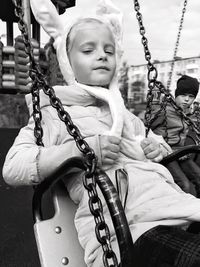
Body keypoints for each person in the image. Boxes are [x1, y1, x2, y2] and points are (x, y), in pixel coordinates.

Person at [3, 0, 200, 266]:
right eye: (88, 49)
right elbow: (13, 167)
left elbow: (154, 140)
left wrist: (158, 148)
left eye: (109, 50)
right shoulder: (52, 114)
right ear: (67, 60)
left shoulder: (123, 113)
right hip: (127, 227)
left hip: (173, 206)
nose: (102, 55)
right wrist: (81, 150)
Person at [151, 75, 200, 197]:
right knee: (185, 185)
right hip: (166, 154)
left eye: (191, 96)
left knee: (198, 176)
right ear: (176, 94)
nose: (187, 100)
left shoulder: (186, 112)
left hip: (180, 153)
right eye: (183, 95)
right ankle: (185, 211)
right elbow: (148, 129)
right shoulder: (164, 110)